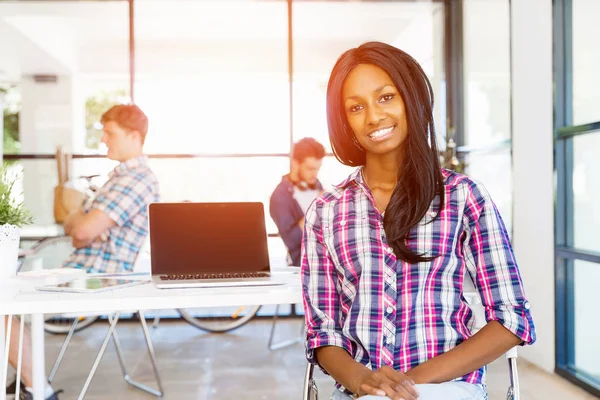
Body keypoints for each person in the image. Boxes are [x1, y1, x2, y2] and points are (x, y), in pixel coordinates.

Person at [301, 41, 536, 400]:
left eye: (385, 97)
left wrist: (408, 384)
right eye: (356, 107)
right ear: (344, 120)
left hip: (449, 388)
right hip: (362, 393)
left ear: (410, 98)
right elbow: (323, 332)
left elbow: (512, 319)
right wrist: (366, 383)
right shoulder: (325, 212)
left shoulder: (464, 197)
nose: (374, 117)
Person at [5, 104, 160, 400]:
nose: (103, 139)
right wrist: (81, 223)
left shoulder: (135, 179)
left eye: (110, 133)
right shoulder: (119, 178)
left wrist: (80, 220)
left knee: (3, 303)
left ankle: (39, 390)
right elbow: (78, 230)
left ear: (133, 135)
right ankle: (31, 383)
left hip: (98, 279)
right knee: (6, 299)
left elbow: (79, 230)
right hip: (83, 271)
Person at [270, 137, 325, 266]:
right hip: (301, 266)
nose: (315, 174)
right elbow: (292, 240)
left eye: (318, 168)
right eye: (310, 169)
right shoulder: (279, 197)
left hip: (325, 262)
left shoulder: (316, 184)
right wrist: (317, 206)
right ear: (295, 163)